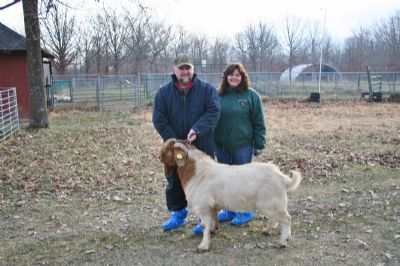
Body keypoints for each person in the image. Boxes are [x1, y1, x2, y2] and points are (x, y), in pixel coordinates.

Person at [192, 63, 266, 234]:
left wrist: (259, 143)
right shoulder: (218, 96)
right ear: (225, 77)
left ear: (243, 77)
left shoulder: (251, 96)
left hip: (243, 146)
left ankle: (245, 211)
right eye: (231, 74)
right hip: (221, 146)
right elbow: (209, 117)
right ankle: (230, 210)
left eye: (237, 75)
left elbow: (259, 122)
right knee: (225, 181)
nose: (234, 77)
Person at [152, 54, 221, 232]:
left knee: (202, 180)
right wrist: (174, 141)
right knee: (174, 179)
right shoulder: (164, 93)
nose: (185, 72)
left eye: (188, 68)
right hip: (176, 147)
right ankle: (178, 213)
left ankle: (206, 218)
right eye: (181, 68)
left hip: (201, 145)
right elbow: (158, 118)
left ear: (193, 70)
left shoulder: (206, 90)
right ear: (174, 70)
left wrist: (197, 129)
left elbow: (214, 111)